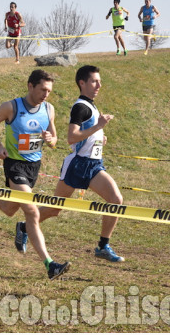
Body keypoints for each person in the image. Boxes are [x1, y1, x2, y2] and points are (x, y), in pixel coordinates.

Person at [0, 69, 70, 280]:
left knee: (9, 209)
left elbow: (55, 140)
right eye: (43, 89)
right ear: (30, 86)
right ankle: (50, 265)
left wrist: (50, 139)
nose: (46, 94)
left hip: (33, 167)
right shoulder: (11, 107)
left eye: (49, 91)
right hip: (14, 165)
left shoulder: (49, 109)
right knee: (32, 211)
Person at [38, 65, 125, 263]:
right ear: (82, 83)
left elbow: (87, 134)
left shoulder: (92, 106)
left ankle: (103, 246)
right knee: (54, 208)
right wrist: (98, 127)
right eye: (94, 81)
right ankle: (25, 226)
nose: (99, 85)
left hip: (94, 165)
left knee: (116, 200)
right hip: (78, 165)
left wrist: (99, 137)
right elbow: (71, 137)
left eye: (99, 81)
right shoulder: (80, 107)